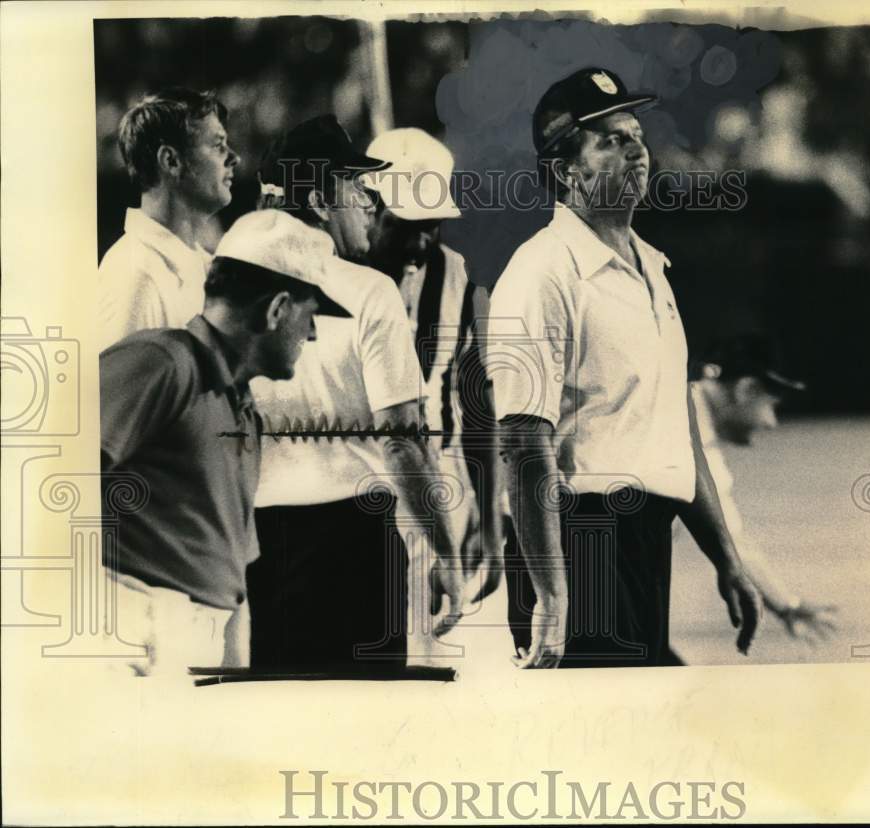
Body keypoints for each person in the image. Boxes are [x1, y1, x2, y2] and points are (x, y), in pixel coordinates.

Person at [490, 67, 762, 669]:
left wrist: (728, 560)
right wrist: (553, 594)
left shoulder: (652, 270)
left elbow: (676, 432)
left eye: (634, 133)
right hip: (578, 541)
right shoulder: (541, 273)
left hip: (642, 539)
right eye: (608, 139)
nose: (635, 147)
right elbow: (524, 442)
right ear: (567, 171)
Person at [246, 115, 464, 674]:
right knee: (369, 725)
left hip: (259, 539)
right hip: (356, 537)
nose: (365, 202)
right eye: (353, 187)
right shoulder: (370, 290)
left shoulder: (225, 281)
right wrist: (445, 547)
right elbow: (401, 443)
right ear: (320, 199)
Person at [100, 208, 348, 676]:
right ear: (277, 309)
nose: (312, 333)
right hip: (135, 634)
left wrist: (235, 682)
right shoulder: (161, 361)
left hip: (198, 648)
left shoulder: (244, 413)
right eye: (311, 314)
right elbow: (52, 482)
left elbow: (235, 578)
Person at [364, 128, 505, 663]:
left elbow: (478, 409)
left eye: (433, 227)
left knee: (441, 656)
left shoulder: (458, 278)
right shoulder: (333, 276)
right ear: (371, 207)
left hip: (441, 479)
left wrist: (491, 531)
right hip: (360, 480)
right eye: (408, 226)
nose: (422, 244)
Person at [685, 333, 838, 647]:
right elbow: (730, 538)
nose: (771, 422)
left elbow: (730, 538)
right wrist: (786, 606)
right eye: (772, 405)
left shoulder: (686, 414)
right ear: (746, 389)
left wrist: (786, 605)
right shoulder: (685, 427)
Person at [98, 87, 240, 351]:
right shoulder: (134, 278)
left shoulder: (203, 266)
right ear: (171, 161)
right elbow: (122, 392)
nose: (234, 157)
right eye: (218, 145)